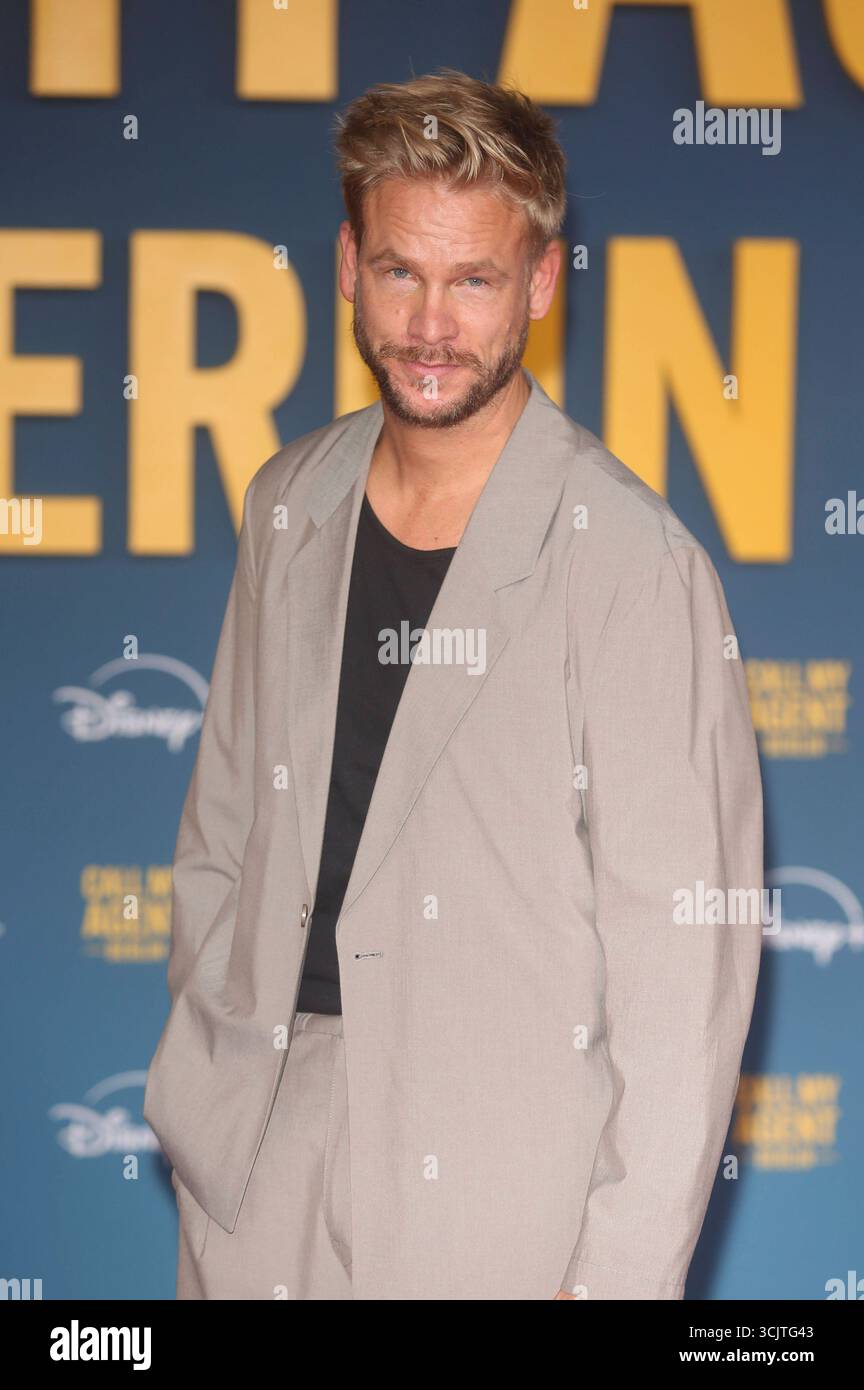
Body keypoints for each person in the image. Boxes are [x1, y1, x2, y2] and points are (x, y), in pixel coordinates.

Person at [143, 68, 764, 1301]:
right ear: (346, 265)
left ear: (539, 284)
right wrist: (213, 1090)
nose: (431, 324)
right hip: (255, 1166)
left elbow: (682, 981)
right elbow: (223, 830)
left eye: (473, 279)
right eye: (400, 272)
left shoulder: (632, 565)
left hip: (493, 1207)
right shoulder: (287, 501)